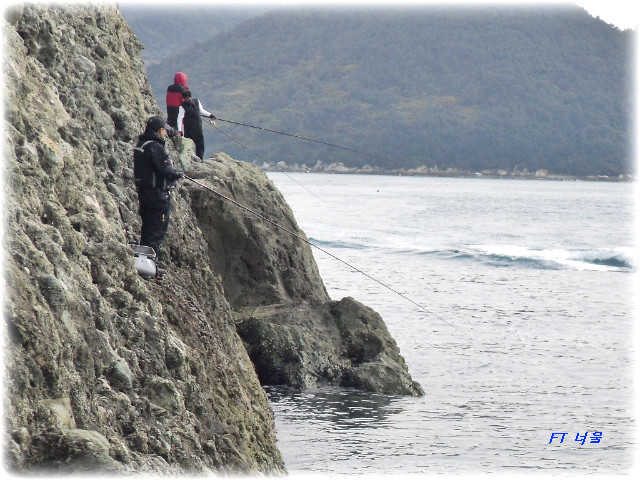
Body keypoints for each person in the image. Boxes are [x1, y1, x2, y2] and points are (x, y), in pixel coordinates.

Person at [133, 116, 184, 277]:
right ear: (160, 130)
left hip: (144, 194)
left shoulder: (141, 145)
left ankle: (143, 262)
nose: (165, 133)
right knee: (156, 231)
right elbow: (166, 171)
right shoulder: (155, 147)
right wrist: (178, 173)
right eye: (164, 130)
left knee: (147, 228)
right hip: (158, 196)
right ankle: (148, 267)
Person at [176, 90, 216, 160]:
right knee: (188, 146)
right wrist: (179, 130)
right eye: (185, 98)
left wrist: (210, 115)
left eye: (187, 97)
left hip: (198, 128)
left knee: (200, 145)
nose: (186, 99)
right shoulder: (182, 107)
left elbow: (201, 111)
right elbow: (179, 119)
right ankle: (190, 159)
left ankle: (200, 159)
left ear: (190, 97)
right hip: (189, 129)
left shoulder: (196, 101)